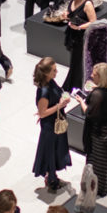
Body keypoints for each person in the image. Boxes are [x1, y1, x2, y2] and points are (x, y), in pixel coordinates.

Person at [75, 61, 107, 197]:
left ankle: (96, 187)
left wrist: (81, 101)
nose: (92, 76)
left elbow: (89, 113)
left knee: (96, 160)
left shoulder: (97, 95)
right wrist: (96, 88)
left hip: (98, 131)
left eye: (94, 75)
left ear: (101, 77)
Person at [32, 57, 71, 192]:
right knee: (50, 152)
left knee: (55, 150)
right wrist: (59, 105)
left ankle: (53, 176)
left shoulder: (51, 82)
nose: (57, 72)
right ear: (47, 73)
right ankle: (52, 179)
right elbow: (42, 113)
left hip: (56, 122)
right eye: (54, 70)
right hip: (50, 127)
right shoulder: (44, 91)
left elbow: (58, 94)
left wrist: (63, 98)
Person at [60, 0, 96, 90]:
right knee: (75, 61)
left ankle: (75, 86)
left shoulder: (87, 4)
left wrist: (79, 27)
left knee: (78, 61)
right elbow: (70, 12)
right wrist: (66, 15)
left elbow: (93, 22)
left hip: (82, 37)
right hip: (73, 34)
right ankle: (75, 84)